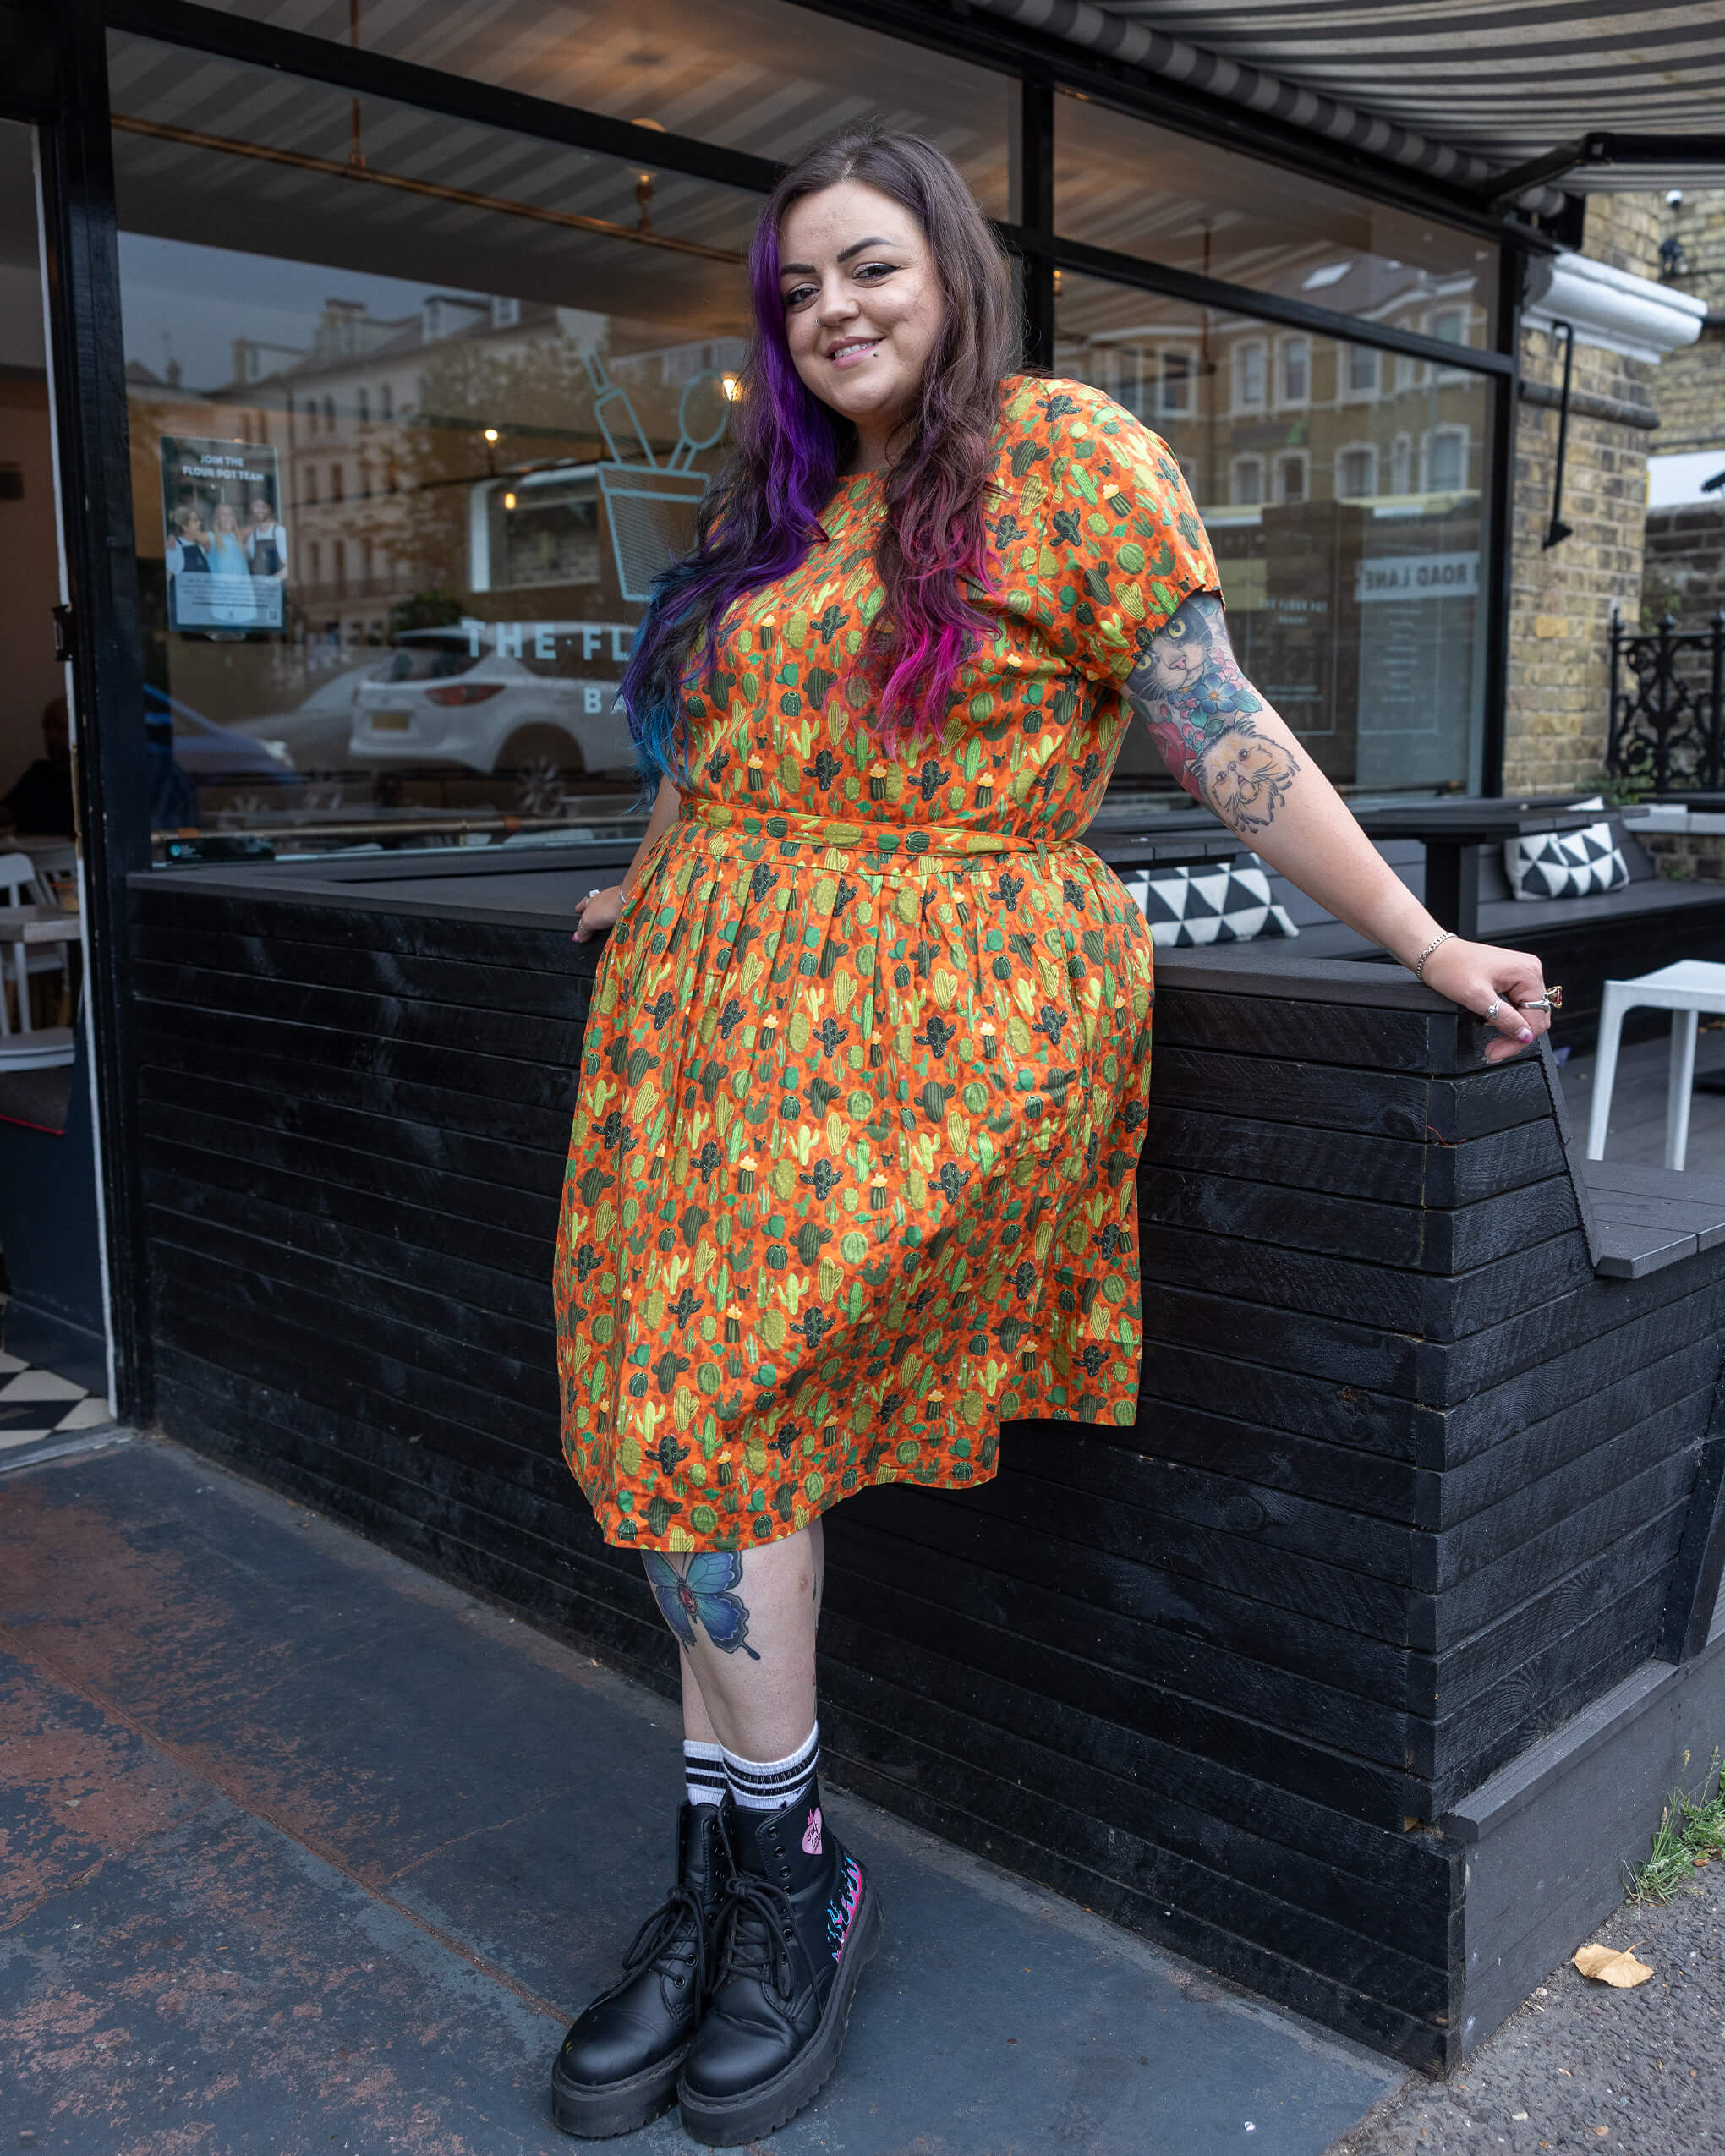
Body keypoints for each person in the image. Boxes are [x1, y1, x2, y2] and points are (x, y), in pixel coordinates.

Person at [549, 123, 1554, 2147]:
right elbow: (722, 737)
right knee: (659, 1423)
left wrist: (1420, 932)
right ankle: (742, 1868)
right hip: (696, 1021)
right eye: (799, 288)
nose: (831, 311)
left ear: (952, 270)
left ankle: (781, 1872)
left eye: (868, 270)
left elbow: (1219, 730)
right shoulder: (787, 495)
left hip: (922, 1025)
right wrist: (662, 868)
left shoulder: (1065, 453)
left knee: (703, 1411)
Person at [1, 693, 74, 837]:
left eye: (60, 727)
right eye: (47, 728)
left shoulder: (93, 779)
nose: (51, 736)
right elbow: (8, 811)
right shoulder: (39, 772)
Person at [245, 492, 288, 581]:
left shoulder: (279, 532)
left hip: (278, 585)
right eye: (257, 506)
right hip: (259, 586)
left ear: (269, 509)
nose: (260, 510)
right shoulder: (251, 536)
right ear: (251, 509)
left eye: (264, 507)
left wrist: (272, 582)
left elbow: (289, 566)